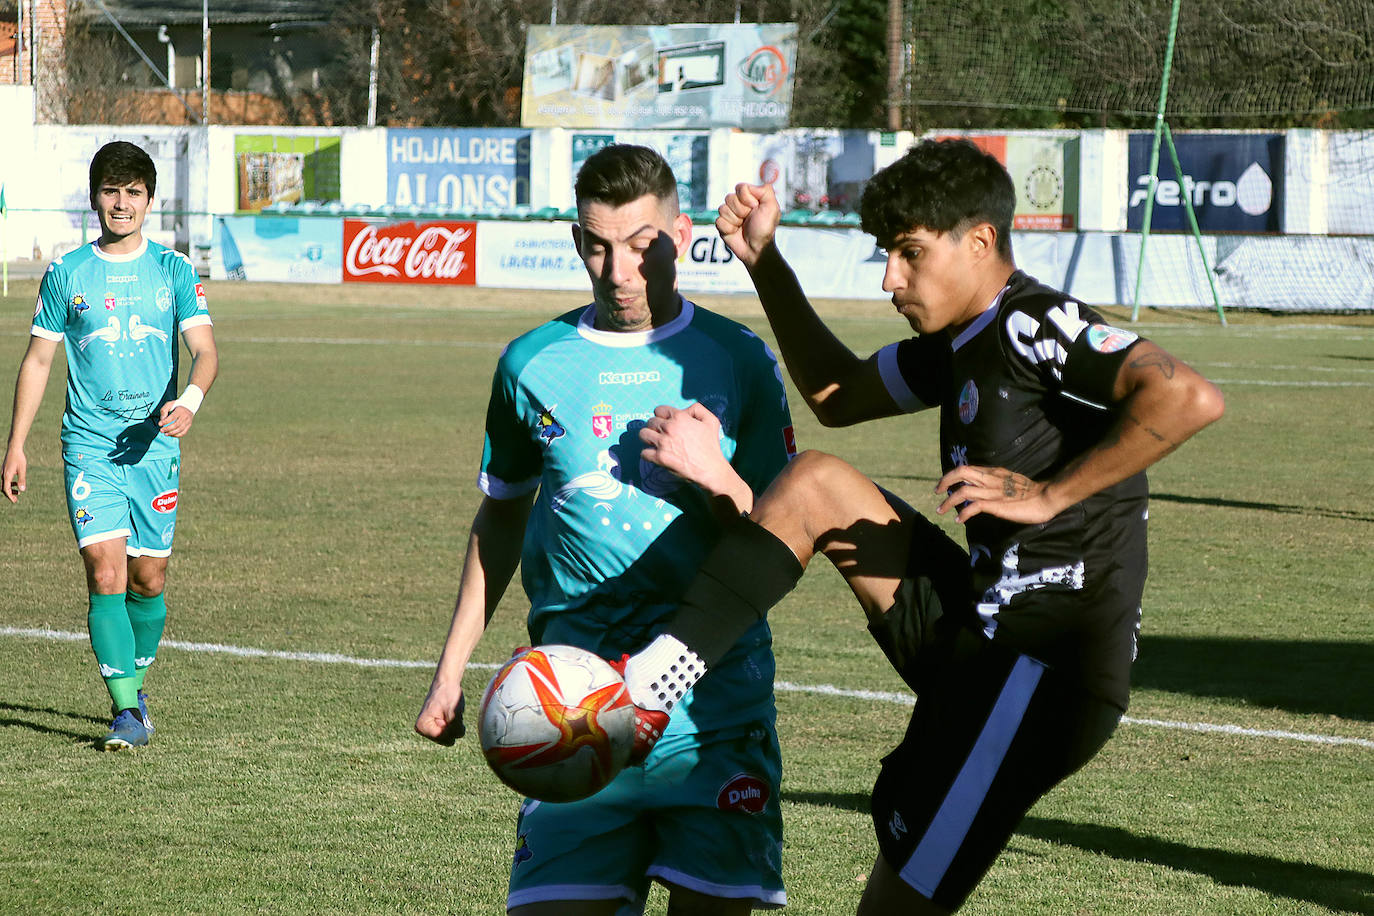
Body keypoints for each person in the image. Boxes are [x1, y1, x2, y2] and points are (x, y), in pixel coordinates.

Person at [616, 138, 1226, 914]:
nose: (889, 279)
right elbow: (836, 394)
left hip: (1041, 674)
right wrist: (763, 262)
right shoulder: (959, 345)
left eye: (910, 253)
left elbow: (1187, 397)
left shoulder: (1036, 321)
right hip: (978, 633)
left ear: (981, 241)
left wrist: (1046, 494)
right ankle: (657, 676)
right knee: (815, 483)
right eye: (885, 253)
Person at [414, 144, 796, 914]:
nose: (618, 270)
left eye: (640, 244)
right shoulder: (531, 362)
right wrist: (453, 669)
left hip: (713, 716)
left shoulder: (739, 360)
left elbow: (783, 538)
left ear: (681, 235)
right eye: (597, 245)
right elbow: (502, 518)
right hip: (572, 711)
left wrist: (717, 479)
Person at [3, 140, 218, 751]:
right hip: (89, 445)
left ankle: (137, 688)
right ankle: (124, 712)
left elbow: (205, 353)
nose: (120, 204)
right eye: (110, 191)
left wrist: (190, 403)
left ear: (150, 199)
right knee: (105, 572)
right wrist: (17, 444)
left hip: (155, 448)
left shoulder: (175, 271)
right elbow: (39, 361)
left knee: (148, 580)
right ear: (94, 197)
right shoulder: (67, 273)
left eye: (133, 192)